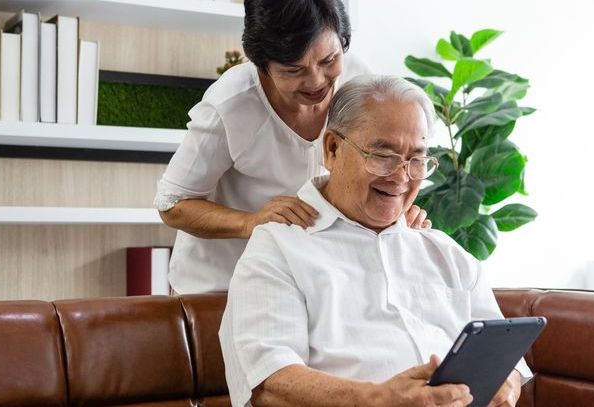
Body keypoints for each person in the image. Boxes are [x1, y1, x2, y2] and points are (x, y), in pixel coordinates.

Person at [219, 75, 530, 407]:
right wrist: (378, 399)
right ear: (332, 149)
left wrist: (506, 387)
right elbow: (268, 384)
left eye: (417, 160)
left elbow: (504, 353)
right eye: (383, 155)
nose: (401, 176)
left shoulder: (444, 252)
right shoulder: (279, 247)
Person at [153, 0, 429, 295]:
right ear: (262, 64)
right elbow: (173, 204)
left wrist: (395, 210)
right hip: (219, 288)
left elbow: (383, 160)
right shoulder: (231, 104)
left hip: (308, 284)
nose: (316, 81)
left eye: (328, 60)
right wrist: (251, 222)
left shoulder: (358, 83)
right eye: (294, 69)